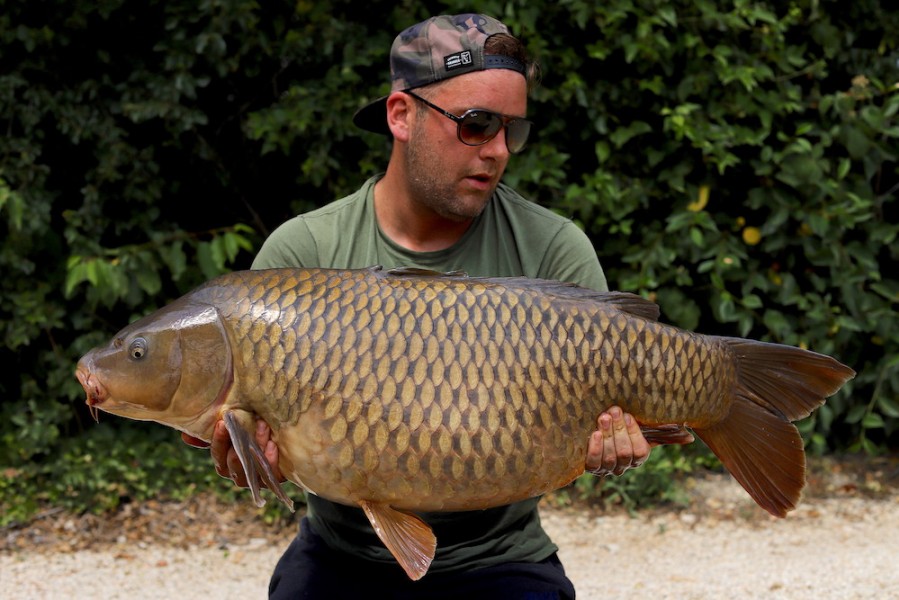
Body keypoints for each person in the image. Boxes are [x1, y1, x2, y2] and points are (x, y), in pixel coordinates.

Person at [184, 13, 657, 599]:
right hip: (341, 554)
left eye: (513, 130)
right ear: (400, 115)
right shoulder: (302, 251)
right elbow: (255, 439)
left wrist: (617, 441)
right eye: (477, 125)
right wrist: (254, 458)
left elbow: (610, 424)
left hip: (500, 558)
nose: (499, 151)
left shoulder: (553, 248)